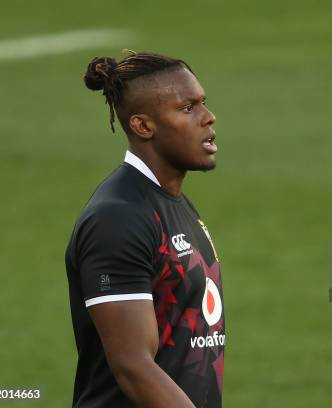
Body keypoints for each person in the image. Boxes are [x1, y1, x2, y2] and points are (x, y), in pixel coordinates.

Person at [65, 51, 224, 408]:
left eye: (203, 103)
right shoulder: (117, 218)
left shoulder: (171, 203)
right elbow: (133, 366)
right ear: (143, 126)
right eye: (187, 108)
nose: (208, 117)